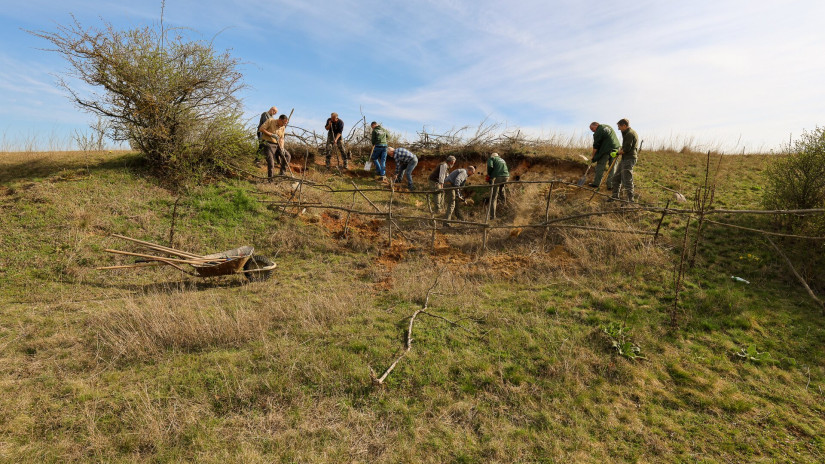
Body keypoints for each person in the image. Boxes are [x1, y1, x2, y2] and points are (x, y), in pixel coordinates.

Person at [611, 118, 639, 202]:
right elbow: (624, 147)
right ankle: (615, 196)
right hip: (625, 159)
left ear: (624, 125)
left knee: (627, 179)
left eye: (619, 126)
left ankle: (631, 200)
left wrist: (617, 153)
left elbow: (626, 149)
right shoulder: (626, 133)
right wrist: (619, 151)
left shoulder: (630, 134)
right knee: (616, 178)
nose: (618, 129)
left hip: (629, 159)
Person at [589, 121, 621, 189]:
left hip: (606, 150)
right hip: (616, 149)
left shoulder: (598, 132)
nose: (592, 131)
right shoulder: (608, 126)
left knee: (600, 166)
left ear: (596, 125)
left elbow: (596, 146)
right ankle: (610, 186)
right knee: (613, 168)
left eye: (592, 129)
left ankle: (596, 184)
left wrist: (593, 156)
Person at [485, 152, 509, 220]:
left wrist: (489, 174)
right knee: (502, 191)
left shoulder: (492, 158)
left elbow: (490, 166)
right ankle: (504, 207)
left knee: (493, 197)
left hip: (497, 177)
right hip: (506, 177)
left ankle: (492, 217)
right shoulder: (502, 160)